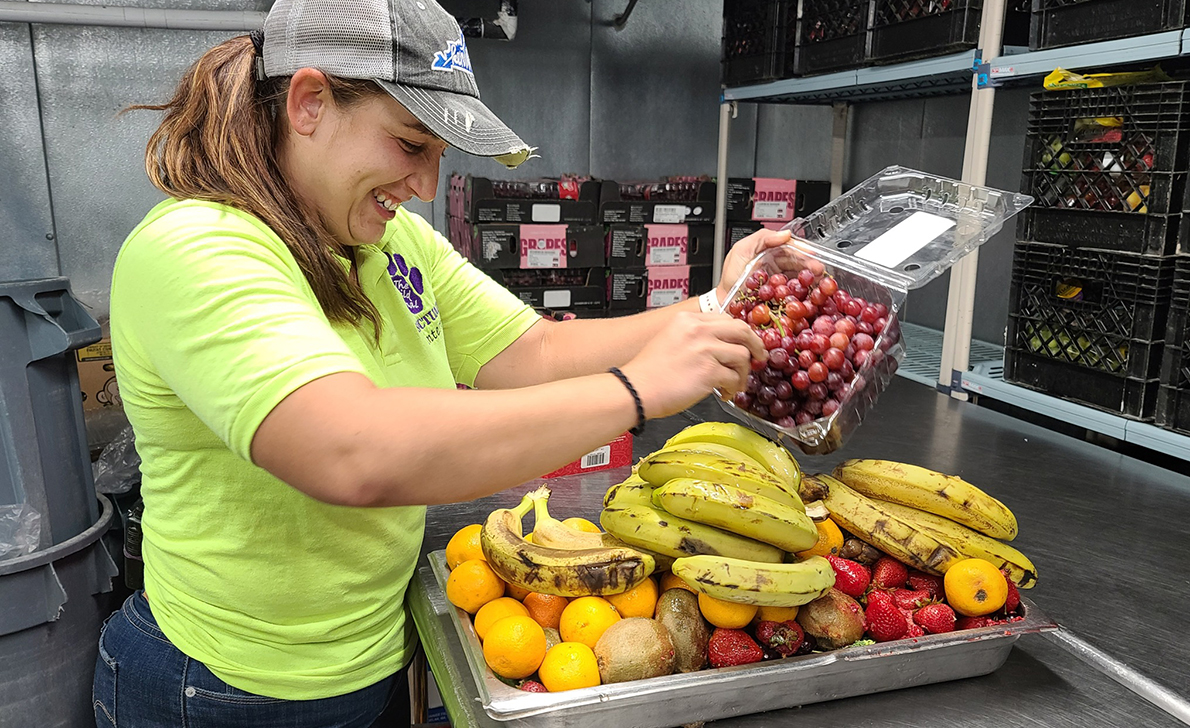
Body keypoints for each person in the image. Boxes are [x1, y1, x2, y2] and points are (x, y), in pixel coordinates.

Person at [94, 0, 789, 725]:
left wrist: (721, 305)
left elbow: (536, 351)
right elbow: (351, 449)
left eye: (439, 154)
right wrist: (635, 391)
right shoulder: (198, 247)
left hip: (377, 651)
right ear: (308, 103)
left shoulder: (392, 242)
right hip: (224, 690)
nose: (426, 186)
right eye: (407, 143)